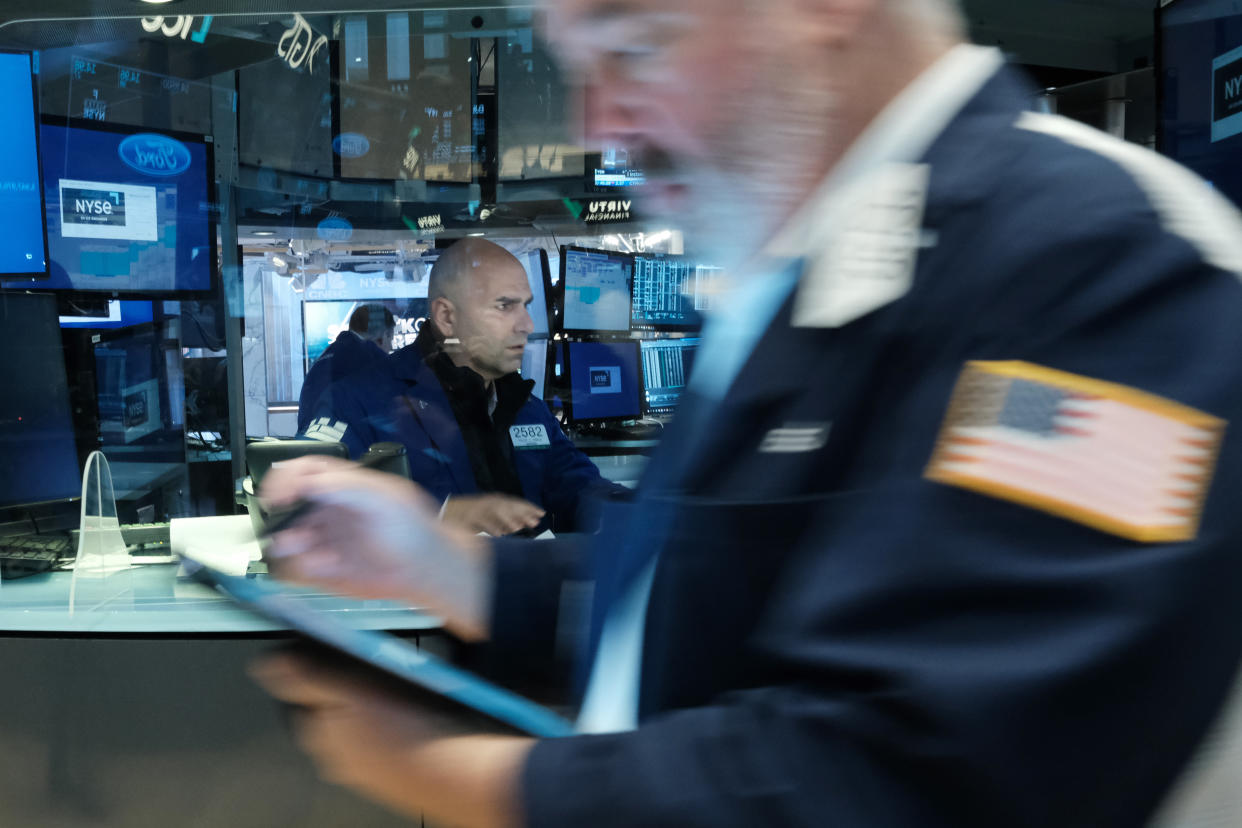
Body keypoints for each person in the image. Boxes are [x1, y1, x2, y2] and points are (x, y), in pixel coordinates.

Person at [252, 0, 1242, 826]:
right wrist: (438, 565)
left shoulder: (1095, 267)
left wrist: (438, 770)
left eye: (633, 46)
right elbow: (705, 589)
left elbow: (919, 773)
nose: (599, 121)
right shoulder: (801, 282)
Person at [301, 237, 626, 535]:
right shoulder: (359, 402)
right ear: (446, 317)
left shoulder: (525, 409)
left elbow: (581, 489)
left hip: (530, 590)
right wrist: (439, 516)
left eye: (526, 306)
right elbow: (308, 510)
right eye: (505, 306)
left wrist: (646, 512)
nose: (527, 325)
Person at [297, 302, 395, 436]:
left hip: (308, 443)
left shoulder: (324, 358)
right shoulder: (372, 357)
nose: (390, 347)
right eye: (391, 340)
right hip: (343, 449)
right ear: (384, 336)